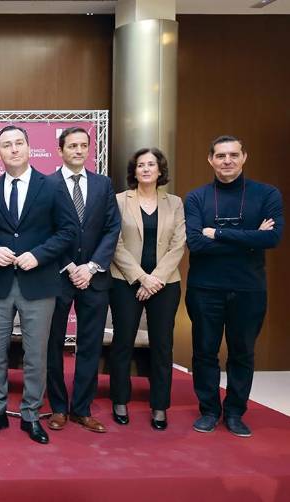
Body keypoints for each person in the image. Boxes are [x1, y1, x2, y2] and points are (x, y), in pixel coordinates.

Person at [0, 125, 78, 445]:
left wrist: (40, 255)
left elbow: (68, 232)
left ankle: (31, 414)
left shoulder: (53, 187)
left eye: (19, 143)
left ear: (29, 148)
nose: (14, 149)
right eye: (7, 145)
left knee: (36, 353)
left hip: (39, 283)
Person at [185, 135, 283, 437]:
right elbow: (195, 243)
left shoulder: (267, 194)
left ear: (244, 157)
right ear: (210, 159)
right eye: (220, 155)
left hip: (248, 289)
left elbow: (272, 238)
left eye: (233, 155)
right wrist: (248, 238)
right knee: (204, 352)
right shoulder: (197, 197)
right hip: (205, 288)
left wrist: (217, 233)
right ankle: (209, 410)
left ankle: (236, 412)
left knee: (242, 353)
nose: (227, 161)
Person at [46, 127, 121, 434]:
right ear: (60, 150)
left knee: (90, 345)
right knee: (52, 345)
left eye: (83, 146)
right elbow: (45, 231)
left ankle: (82, 409)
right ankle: (59, 408)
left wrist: (90, 267)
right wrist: (69, 266)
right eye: (72, 146)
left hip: (95, 278)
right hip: (58, 277)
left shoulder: (103, 185)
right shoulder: (47, 185)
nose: (78, 150)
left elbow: (112, 228)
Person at [109, 147, 185, 430]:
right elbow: (114, 243)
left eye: (151, 164)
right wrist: (142, 278)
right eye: (140, 165)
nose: (146, 169)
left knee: (162, 346)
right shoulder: (119, 201)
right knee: (122, 344)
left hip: (165, 285)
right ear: (134, 171)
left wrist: (155, 280)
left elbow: (179, 244)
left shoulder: (175, 203)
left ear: (160, 170)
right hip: (126, 283)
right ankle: (119, 400)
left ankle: (160, 406)